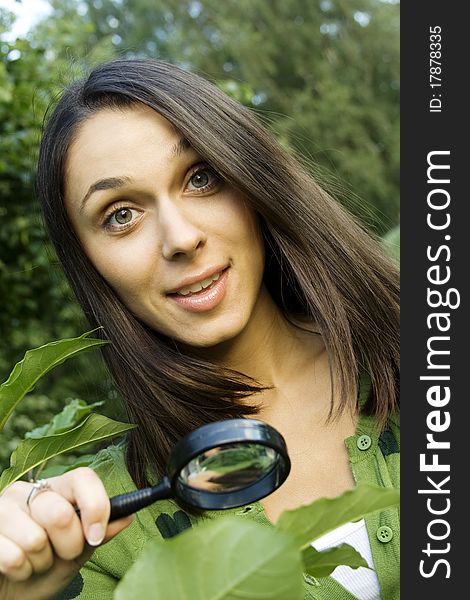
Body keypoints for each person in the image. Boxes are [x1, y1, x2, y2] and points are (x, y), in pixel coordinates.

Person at [0, 58, 399, 600]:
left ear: (254, 177)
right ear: (89, 264)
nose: (180, 238)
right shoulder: (102, 540)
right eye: (121, 214)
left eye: (201, 177)